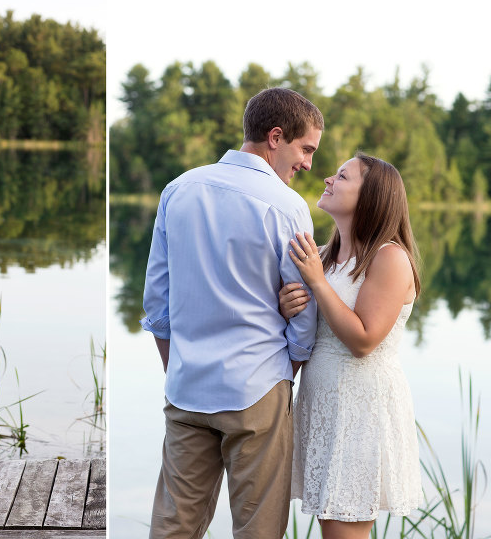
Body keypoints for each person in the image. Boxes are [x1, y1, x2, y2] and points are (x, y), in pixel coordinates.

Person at [141, 87, 323, 538]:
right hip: (257, 387)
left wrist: (176, 369)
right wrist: (289, 370)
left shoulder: (178, 189)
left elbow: (156, 304)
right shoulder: (287, 206)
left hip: (186, 386)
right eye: (306, 149)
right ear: (276, 137)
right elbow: (302, 310)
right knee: (258, 529)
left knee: (173, 526)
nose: (308, 164)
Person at [279, 152, 420, 537]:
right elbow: (315, 323)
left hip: (362, 409)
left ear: (370, 197)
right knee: (331, 524)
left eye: (342, 176)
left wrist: (318, 284)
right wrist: (288, 305)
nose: (327, 178)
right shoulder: (323, 257)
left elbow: (364, 340)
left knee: (344, 528)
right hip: (323, 404)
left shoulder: (390, 258)